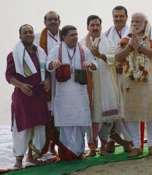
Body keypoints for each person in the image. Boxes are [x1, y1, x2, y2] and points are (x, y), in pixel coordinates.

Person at [47, 25, 97, 160]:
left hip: (80, 95)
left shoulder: (83, 49)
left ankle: (79, 151)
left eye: (76, 34)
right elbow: (48, 65)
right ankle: (67, 153)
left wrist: (90, 65)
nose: (75, 37)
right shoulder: (56, 50)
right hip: (63, 97)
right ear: (63, 37)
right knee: (66, 126)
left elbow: (94, 63)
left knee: (81, 124)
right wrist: (53, 64)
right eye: (72, 35)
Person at [115, 13, 152, 157]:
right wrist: (130, 47)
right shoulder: (126, 38)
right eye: (133, 21)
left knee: (151, 113)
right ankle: (136, 146)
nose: (135, 24)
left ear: (145, 22)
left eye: (138, 21)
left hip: (149, 79)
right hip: (130, 80)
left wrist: (140, 47)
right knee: (132, 114)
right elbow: (117, 57)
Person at [5, 24, 49, 168]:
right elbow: (9, 76)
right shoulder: (13, 54)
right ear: (20, 36)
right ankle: (18, 161)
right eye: (25, 32)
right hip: (23, 97)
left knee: (39, 126)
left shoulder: (40, 53)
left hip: (38, 95)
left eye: (30, 32)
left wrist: (47, 80)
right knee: (22, 127)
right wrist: (21, 85)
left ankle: (32, 157)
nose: (29, 34)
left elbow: (46, 71)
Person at [81, 15, 125, 156]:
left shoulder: (109, 42)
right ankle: (92, 147)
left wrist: (99, 55)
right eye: (92, 25)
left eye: (97, 25)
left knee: (107, 118)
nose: (95, 27)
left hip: (106, 84)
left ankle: (104, 144)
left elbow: (113, 60)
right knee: (91, 118)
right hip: (89, 86)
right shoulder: (82, 43)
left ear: (101, 26)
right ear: (87, 27)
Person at [104, 5, 132, 153]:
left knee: (127, 109)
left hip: (130, 76)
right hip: (113, 76)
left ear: (126, 17)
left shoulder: (133, 32)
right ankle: (111, 139)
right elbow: (105, 54)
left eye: (121, 16)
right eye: (116, 16)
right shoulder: (107, 33)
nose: (118, 19)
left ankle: (129, 140)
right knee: (114, 108)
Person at [35, 10, 61, 155]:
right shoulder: (38, 38)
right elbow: (36, 62)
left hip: (63, 82)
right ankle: (46, 146)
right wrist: (44, 78)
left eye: (55, 19)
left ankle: (56, 145)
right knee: (47, 114)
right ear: (45, 22)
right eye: (49, 20)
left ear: (59, 21)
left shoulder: (65, 37)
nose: (52, 22)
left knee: (60, 114)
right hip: (46, 81)